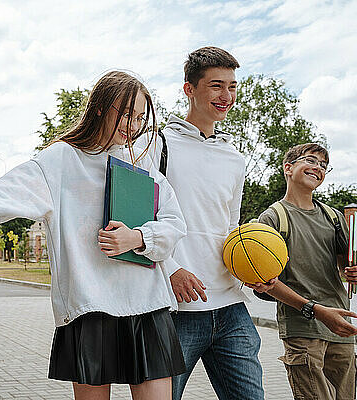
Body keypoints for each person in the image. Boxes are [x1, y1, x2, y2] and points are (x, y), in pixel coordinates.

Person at [0, 71, 187, 399]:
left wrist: (139, 238)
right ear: (100, 107)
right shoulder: (62, 159)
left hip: (147, 305)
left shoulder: (141, 165)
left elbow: (174, 222)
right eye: (126, 114)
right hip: (90, 306)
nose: (134, 124)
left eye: (140, 117)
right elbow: (6, 192)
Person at [137, 47, 264, 399]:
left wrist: (251, 269)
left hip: (230, 305)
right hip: (174, 306)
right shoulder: (157, 144)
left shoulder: (235, 158)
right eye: (216, 86)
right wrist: (171, 267)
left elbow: (232, 227)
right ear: (189, 90)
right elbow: (140, 217)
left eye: (233, 87)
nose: (227, 97)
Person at [248, 143, 357, 400]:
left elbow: (345, 268)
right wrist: (316, 311)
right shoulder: (273, 218)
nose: (318, 168)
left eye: (323, 166)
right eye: (311, 160)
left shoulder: (333, 216)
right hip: (303, 328)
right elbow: (268, 283)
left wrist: (353, 273)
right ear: (288, 168)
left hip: (340, 326)